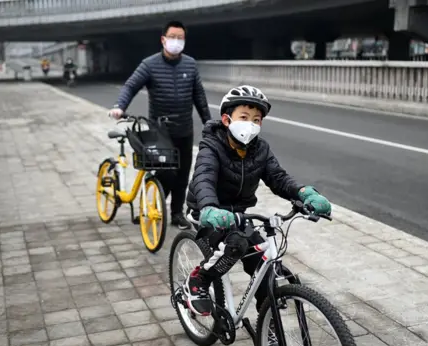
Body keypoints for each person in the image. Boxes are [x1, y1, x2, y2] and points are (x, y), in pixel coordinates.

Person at [184, 85, 332, 317]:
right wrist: (209, 208)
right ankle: (200, 280)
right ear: (226, 119)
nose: (251, 123)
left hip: (239, 215)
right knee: (236, 245)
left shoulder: (260, 149)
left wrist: (304, 193)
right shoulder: (211, 147)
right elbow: (203, 178)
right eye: (244, 117)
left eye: (257, 119)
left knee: (264, 269)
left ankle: (269, 324)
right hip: (207, 211)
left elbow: (278, 178)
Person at [108, 20, 211, 230]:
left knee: (182, 174)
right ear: (163, 39)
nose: (176, 41)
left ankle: (176, 214)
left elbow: (199, 96)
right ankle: (151, 204)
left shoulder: (190, 65)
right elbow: (130, 86)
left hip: (184, 129)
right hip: (159, 132)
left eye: (180, 38)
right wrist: (120, 106)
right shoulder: (149, 64)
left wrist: (208, 122)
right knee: (167, 172)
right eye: (172, 37)